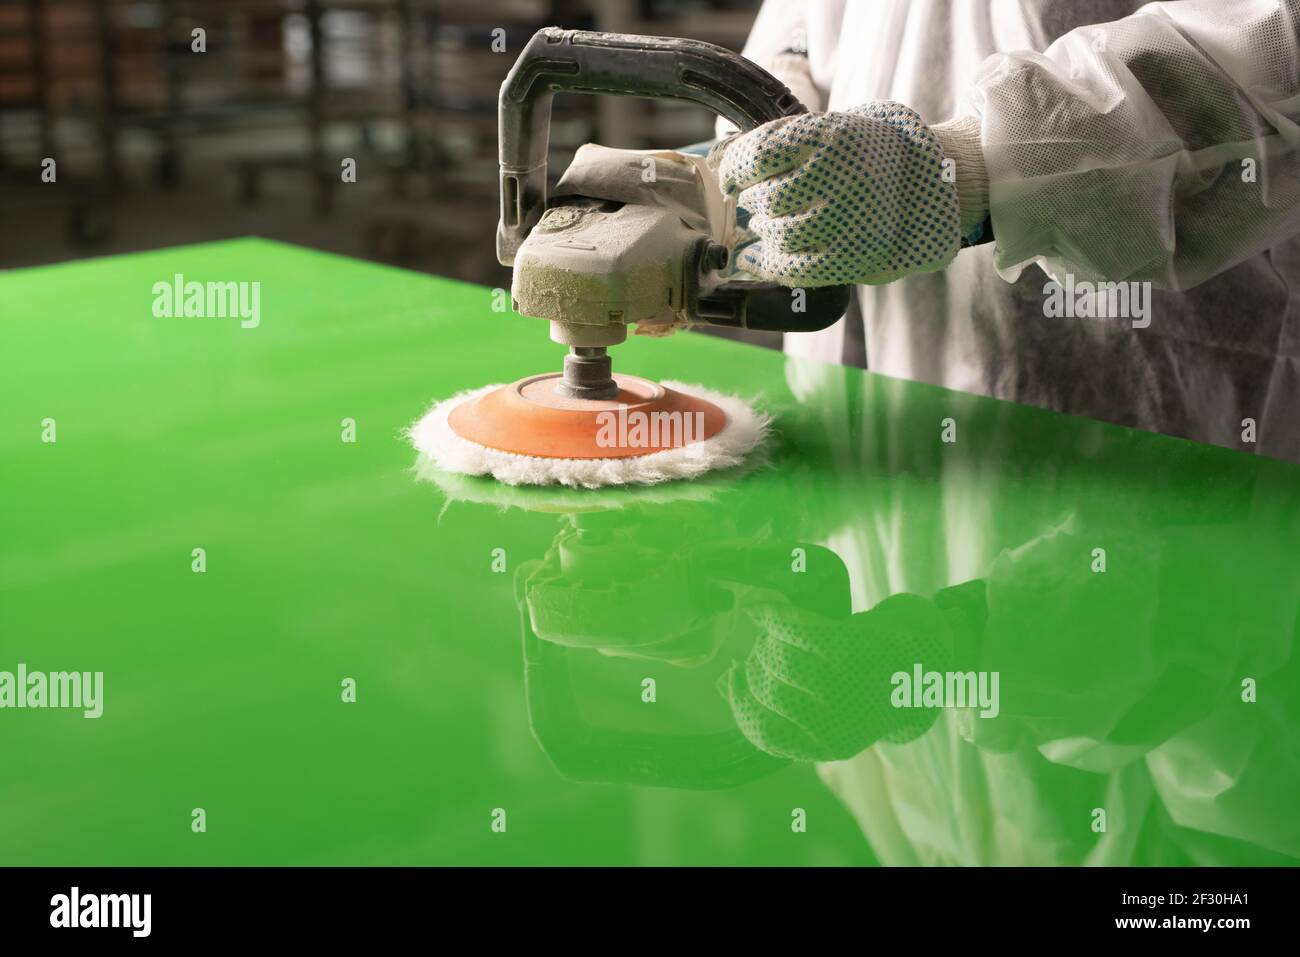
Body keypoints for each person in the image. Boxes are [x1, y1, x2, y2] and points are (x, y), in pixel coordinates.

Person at [708, 0, 1300, 463]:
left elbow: (1280, 40)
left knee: (1098, 593)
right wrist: (778, 71)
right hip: (863, 396)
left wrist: (970, 170)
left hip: (1136, 398)